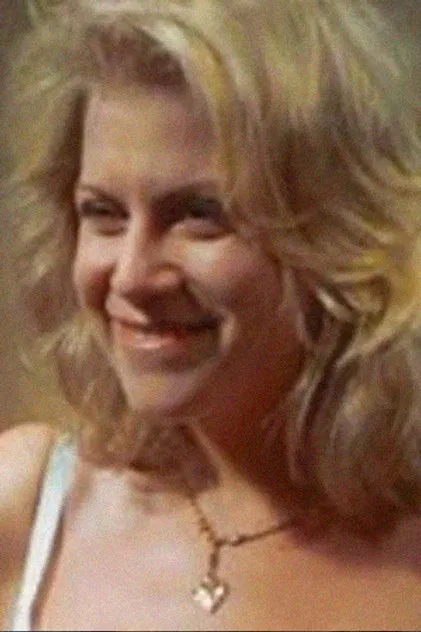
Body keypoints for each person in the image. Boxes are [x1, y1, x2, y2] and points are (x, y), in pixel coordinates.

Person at [2, 0, 421, 629]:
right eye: (103, 213)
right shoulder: (27, 510)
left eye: (200, 214)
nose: (132, 276)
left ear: (336, 235)